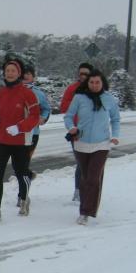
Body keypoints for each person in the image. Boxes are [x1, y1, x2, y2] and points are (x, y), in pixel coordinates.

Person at [0, 58, 40, 221]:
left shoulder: (27, 93)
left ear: (19, 73)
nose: (9, 73)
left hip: (20, 142)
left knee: (21, 173)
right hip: (1, 140)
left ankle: (24, 200)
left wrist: (19, 127)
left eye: (13, 71)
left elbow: (35, 116)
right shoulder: (1, 92)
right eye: (7, 71)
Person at [63, 70, 120, 225]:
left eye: (97, 82)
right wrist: (71, 127)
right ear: (87, 83)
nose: (94, 85)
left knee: (94, 178)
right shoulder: (79, 98)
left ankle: (86, 212)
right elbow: (68, 116)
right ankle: (85, 207)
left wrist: (115, 135)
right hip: (81, 142)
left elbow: (115, 119)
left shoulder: (109, 99)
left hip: (102, 144)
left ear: (102, 83)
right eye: (91, 82)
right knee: (85, 177)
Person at [59, 62, 94, 201]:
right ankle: (78, 191)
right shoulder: (72, 89)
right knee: (81, 162)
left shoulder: (96, 88)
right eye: (81, 73)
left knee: (92, 163)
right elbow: (63, 107)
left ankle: (89, 189)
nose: (83, 76)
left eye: (86, 73)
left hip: (93, 131)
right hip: (77, 131)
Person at [19, 62, 51, 202]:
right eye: (23, 73)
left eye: (28, 74)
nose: (25, 76)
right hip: (15, 134)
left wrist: (42, 118)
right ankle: (29, 176)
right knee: (18, 165)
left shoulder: (38, 93)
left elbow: (46, 109)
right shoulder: (13, 91)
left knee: (24, 163)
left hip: (32, 133)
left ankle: (22, 195)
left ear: (33, 77)